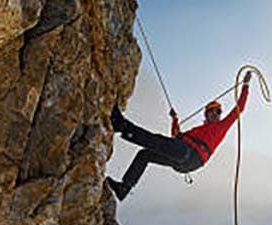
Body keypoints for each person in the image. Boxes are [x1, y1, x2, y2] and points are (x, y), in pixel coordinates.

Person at [105, 72, 251, 200]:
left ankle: (121, 125)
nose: (215, 113)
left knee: (157, 141)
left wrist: (246, 84)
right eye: (212, 111)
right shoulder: (196, 131)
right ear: (206, 114)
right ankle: (124, 188)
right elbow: (176, 136)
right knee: (145, 154)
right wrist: (174, 119)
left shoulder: (221, 126)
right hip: (185, 159)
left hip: (192, 155)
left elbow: (240, 108)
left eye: (218, 112)